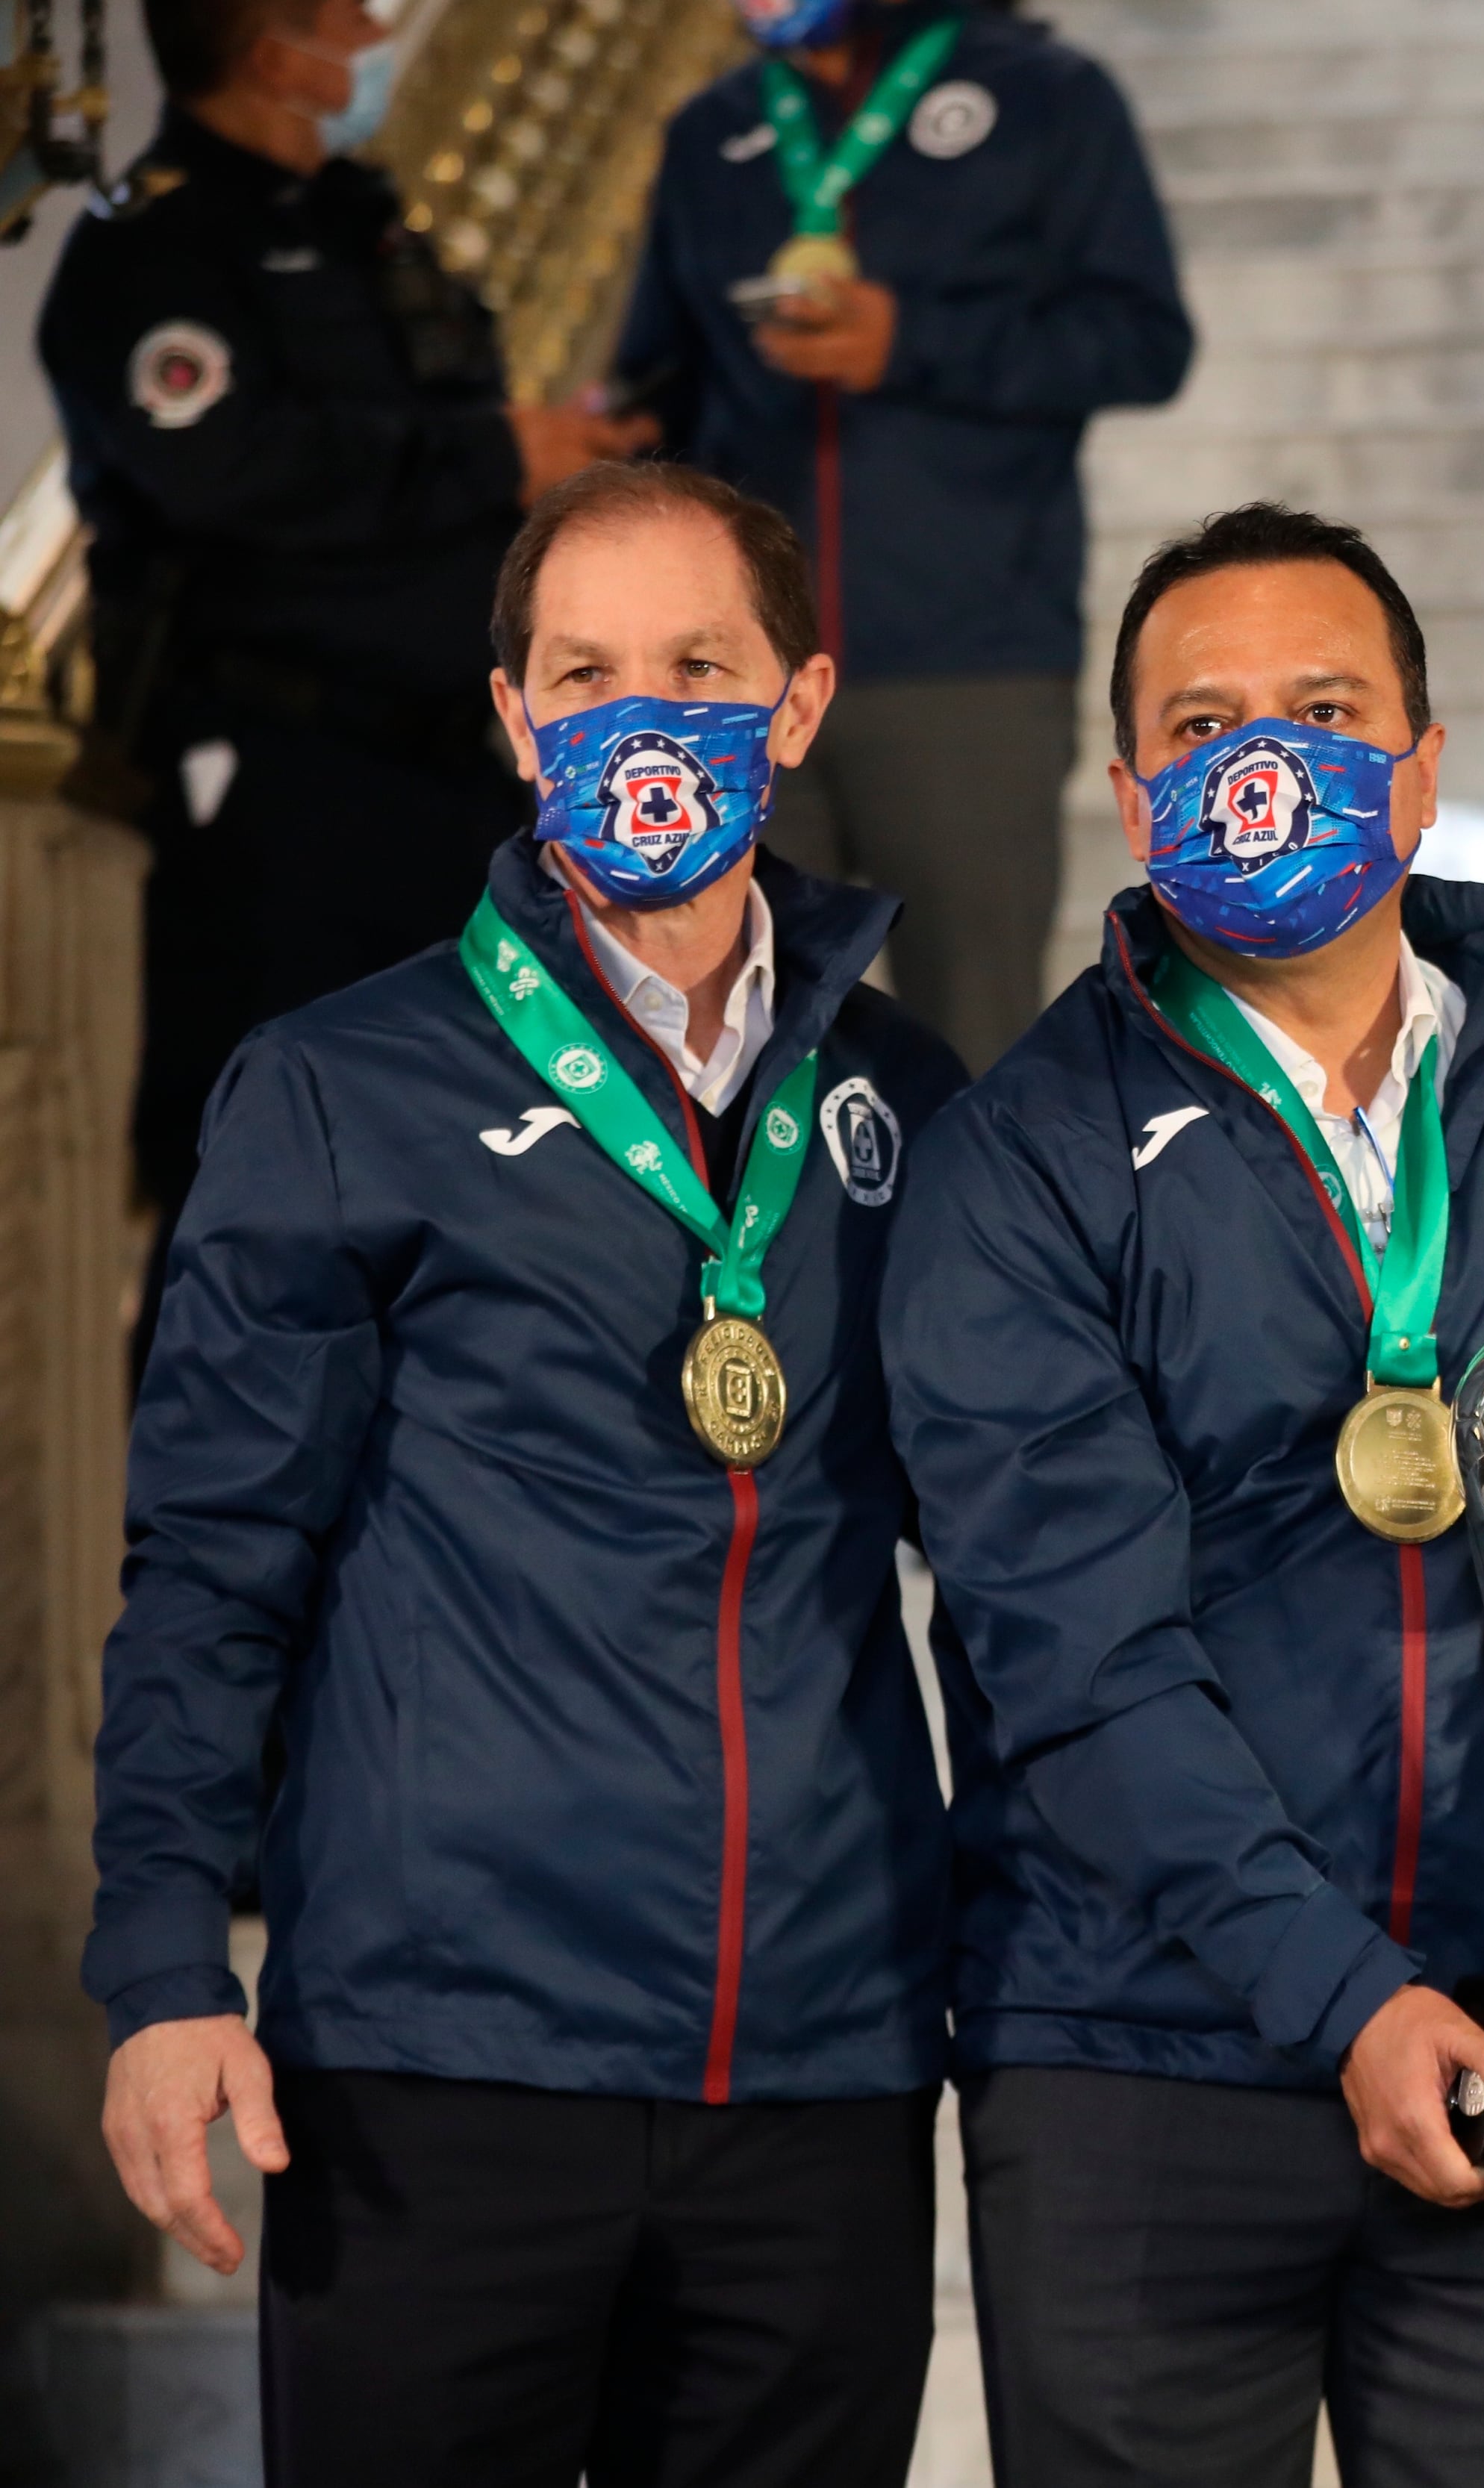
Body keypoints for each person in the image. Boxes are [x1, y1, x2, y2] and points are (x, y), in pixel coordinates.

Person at [82, 461, 964, 2488]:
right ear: (512, 721)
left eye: (698, 664)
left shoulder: (910, 1104)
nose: (637, 717)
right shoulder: (337, 1086)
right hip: (438, 2060)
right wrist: (154, 1964)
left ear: (802, 701)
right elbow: (215, 1565)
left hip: (819, 2069)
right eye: (584, 672)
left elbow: (1032, 1562)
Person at [881, 501, 1484, 2485]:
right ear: (1128, 791)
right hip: (1136, 2058)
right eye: (1204, 722)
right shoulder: (1020, 1157)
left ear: (1426, 765)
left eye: (1326, 706)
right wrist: (1344, 1997)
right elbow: (1068, 1654)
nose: (1263, 757)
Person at [40, 0, 649, 1362]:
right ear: (270, 46)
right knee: (270, 1182)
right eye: (345, 16)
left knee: (478, 1167)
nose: (377, 33)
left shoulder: (368, 219)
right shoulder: (155, 250)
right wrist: (489, 459)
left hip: (447, 777)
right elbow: (225, 465)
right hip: (275, 788)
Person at [619, 0, 1193, 1073]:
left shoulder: (1045, 96)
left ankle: (989, 1250)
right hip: (742, 678)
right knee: (732, 1046)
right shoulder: (712, 128)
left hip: (968, 658)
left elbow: (1142, 340)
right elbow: (663, 373)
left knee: (975, 1045)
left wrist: (914, 343)